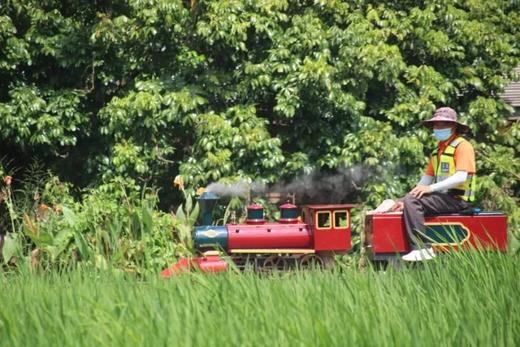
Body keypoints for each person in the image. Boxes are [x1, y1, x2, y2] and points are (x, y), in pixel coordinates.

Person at [391, 107, 476, 261]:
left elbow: (461, 177)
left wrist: (429, 189)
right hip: (442, 198)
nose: (438, 128)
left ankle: (423, 247)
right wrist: (403, 201)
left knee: (413, 200)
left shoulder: (463, 146)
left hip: (458, 200)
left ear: (454, 127)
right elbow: (425, 181)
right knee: (409, 200)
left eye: (443, 125)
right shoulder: (437, 152)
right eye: (436, 125)